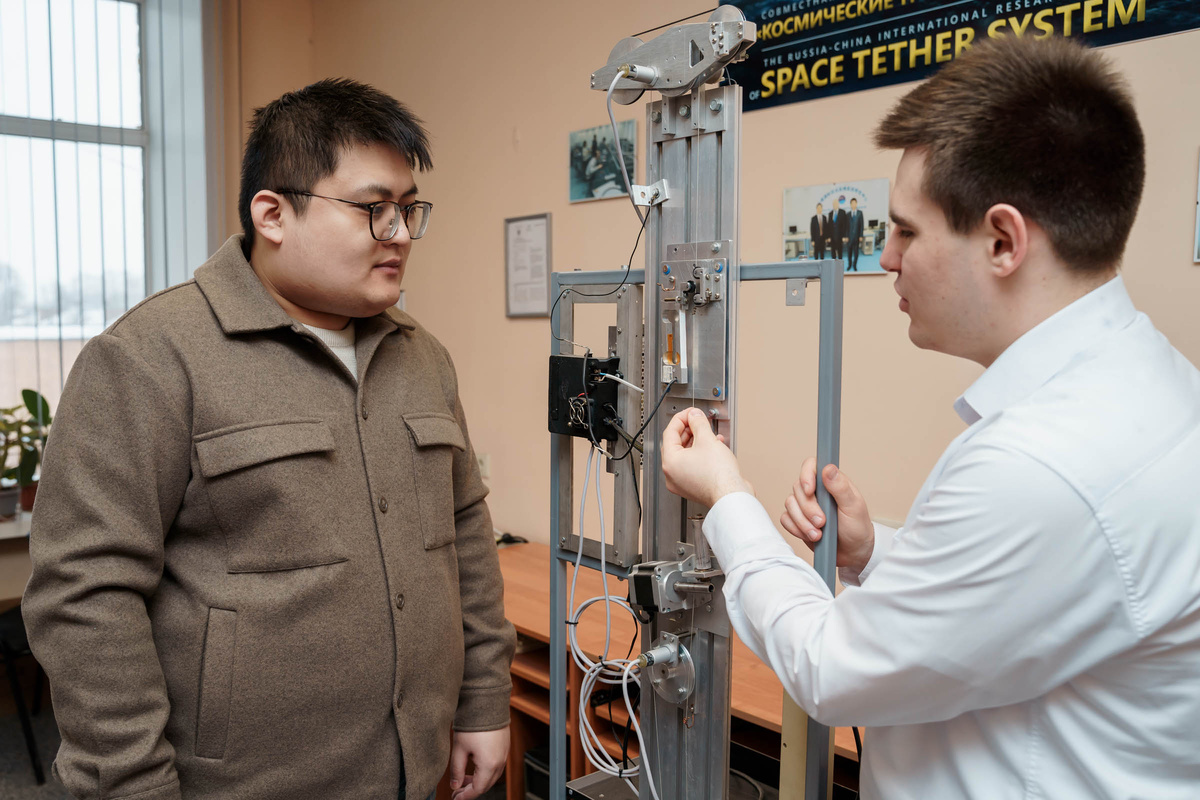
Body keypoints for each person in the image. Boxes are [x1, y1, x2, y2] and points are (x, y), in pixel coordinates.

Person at [661, 36, 1200, 798]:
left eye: (907, 231)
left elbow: (830, 667)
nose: (886, 258)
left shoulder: (1042, 465)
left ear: (1004, 241)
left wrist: (726, 495)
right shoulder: (1152, 388)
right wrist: (875, 552)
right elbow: (1024, 605)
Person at [23, 79, 516, 800]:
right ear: (273, 214)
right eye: (374, 209)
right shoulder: (150, 358)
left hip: (413, 766)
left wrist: (482, 699)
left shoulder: (422, 357)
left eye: (409, 210)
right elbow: (84, 593)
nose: (401, 234)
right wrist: (131, 784)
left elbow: (465, 531)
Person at [846, 197, 865, 271]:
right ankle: (849, 265)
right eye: (852, 203)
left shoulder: (860, 213)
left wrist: (861, 235)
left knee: (856, 252)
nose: (853, 204)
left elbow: (861, 225)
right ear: (850, 204)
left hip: (857, 236)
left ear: (856, 204)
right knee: (849, 253)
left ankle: (854, 265)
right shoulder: (847, 214)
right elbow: (846, 227)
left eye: (855, 203)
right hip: (849, 237)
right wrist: (846, 236)